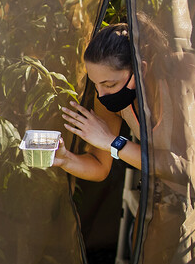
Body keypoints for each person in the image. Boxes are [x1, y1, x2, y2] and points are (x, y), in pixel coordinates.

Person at [54, 22, 145, 180]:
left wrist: (111, 141)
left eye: (109, 85)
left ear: (139, 70)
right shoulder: (107, 97)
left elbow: (172, 164)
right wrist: (65, 160)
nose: (101, 95)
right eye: (95, 84)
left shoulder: (168, 92)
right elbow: (100, 166)